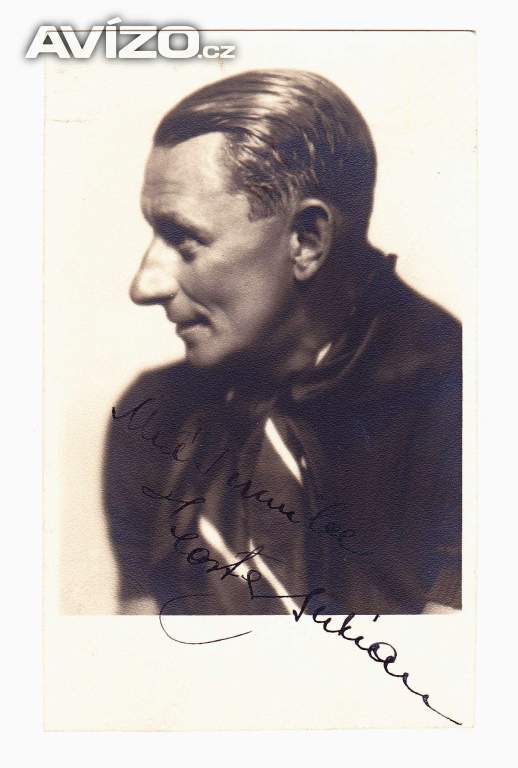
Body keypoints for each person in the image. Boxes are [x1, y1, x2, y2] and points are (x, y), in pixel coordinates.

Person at [104, 69, 461, 616]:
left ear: (306, 240)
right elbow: (141, 652)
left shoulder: (466, 406)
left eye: (184, 239)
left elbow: (455, 666)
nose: (144, 285)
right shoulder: (151, 417)